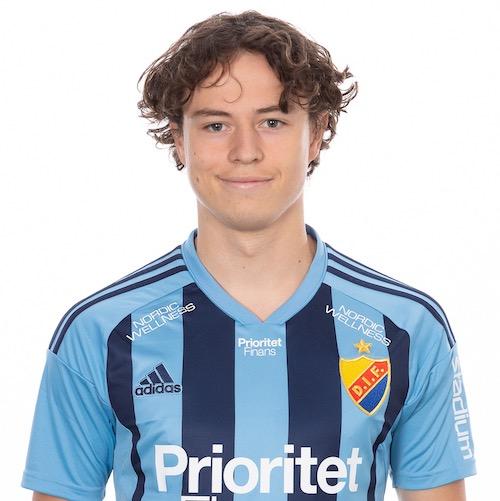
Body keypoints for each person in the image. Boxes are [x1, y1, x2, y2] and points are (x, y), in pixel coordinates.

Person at [22, 9, 476, 501]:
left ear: (316, 134)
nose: (245, 150)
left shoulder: (406, 328)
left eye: (272, 121)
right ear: (179, 138)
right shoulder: (102, 331)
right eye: (216, 125)